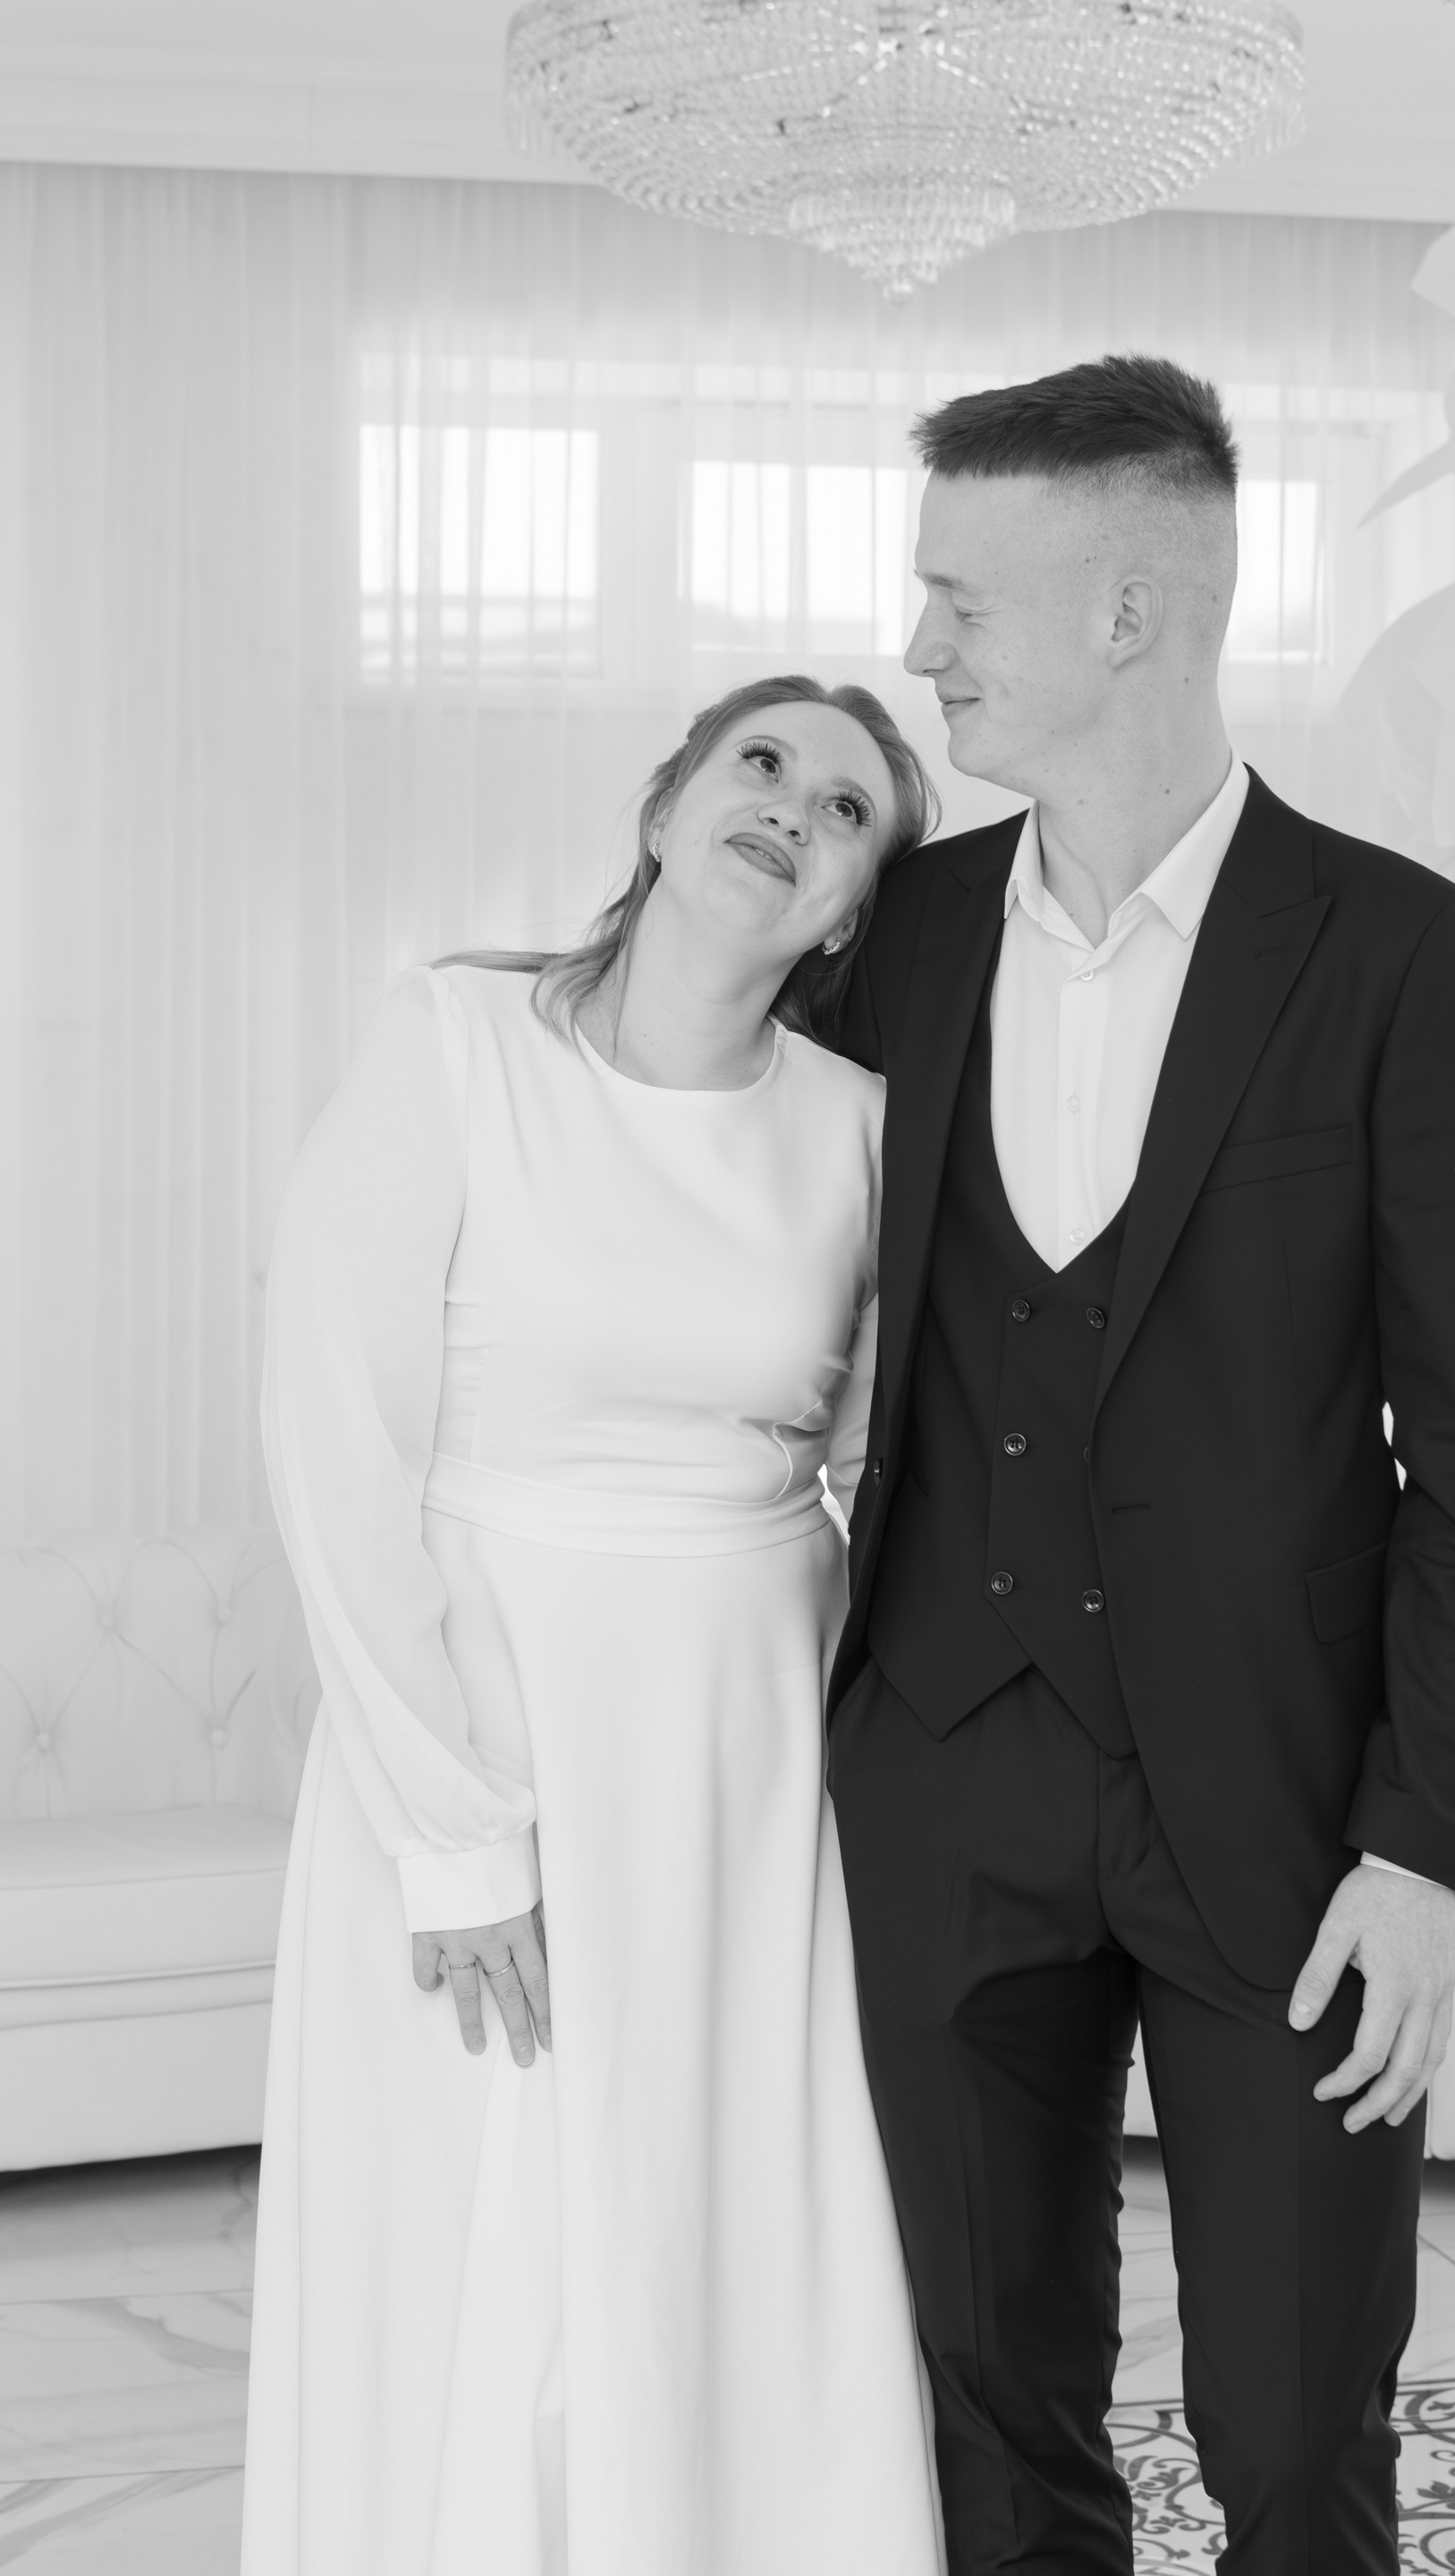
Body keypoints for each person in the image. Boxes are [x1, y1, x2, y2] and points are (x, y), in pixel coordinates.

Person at [825, 356, 1455, 2575]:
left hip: (1288, 1823)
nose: (922, 646)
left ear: (1129, 612)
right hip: (947, 1782)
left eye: (962, 599)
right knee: (985, 2412)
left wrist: (1421, 1853)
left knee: (1296, 2436)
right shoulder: (899, 937)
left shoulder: (1406, 955)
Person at [240, 675, 947, 2576]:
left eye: (849, 812)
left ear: (850, 916)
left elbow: (891, 1472)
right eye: (762, 764)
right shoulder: (455, 1043)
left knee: (710, 2226)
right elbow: (336, 1438)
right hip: (482, 1737)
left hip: (743, 1771)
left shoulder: (867, 1134)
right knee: (482, 2241)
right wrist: (457, 1835)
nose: (793, 809)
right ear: (663, 806)